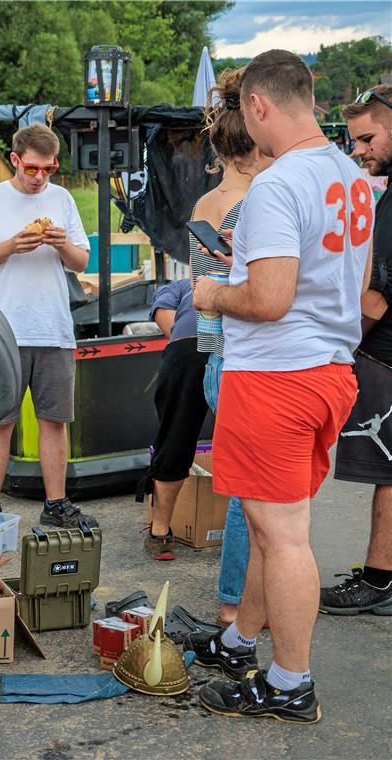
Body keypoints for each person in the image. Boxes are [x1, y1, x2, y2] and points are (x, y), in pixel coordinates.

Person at [190, 50, 372, 724]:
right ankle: (241, 644)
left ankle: (291, 682)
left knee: (282, 533)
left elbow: (268, 300)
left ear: (258, 106)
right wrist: (249, 264)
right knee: (274, 530)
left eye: (244, 114)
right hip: (327, 370)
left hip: (276, 376)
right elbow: (343, 282)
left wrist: (213, 291)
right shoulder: (349, 176)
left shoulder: (275, 184)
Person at [0, 124, 97, 529]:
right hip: (5, 329)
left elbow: (81, 262)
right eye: (33, 169)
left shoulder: (63, 198)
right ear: (15, 160)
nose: (40, 178)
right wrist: (9, 247)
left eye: (49, 170)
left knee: (55, 420)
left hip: (53, 325)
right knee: (0, 421)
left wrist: (60, 244)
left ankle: (56, 503)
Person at [185, 67, 274, 623]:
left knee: (245, 490)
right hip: (248, 360)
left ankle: (243, 602)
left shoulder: (204, 208)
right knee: (252, 498)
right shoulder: (268, 201)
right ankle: (234, 605)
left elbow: (199, 295)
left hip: (216, 362)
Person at [320, 83, 392, 616]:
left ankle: (380, 579)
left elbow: (378, 293)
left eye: (367, 138)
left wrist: (342, 345)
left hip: (383, 354)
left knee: (387, 472)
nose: (359, 150)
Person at [141, 278, 208, 561]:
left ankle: (159, 532)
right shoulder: (181, 285)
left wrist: (190, 336)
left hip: (190, 343)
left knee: (175, 437)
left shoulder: (180, 286)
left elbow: (166, 320)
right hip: (237, 340)